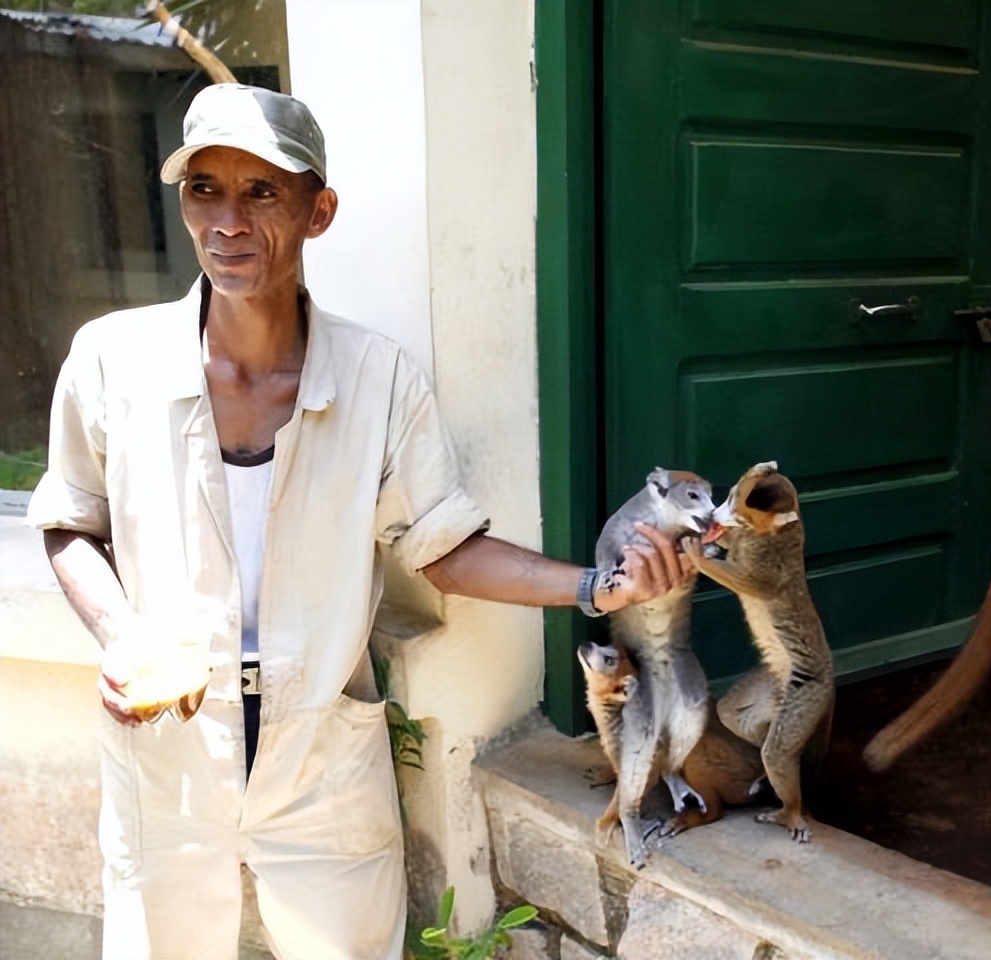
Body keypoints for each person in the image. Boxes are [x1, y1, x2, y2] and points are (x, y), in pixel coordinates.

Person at [28, 83, 690, 960]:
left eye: (263, 191)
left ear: (319, 210)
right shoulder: (113, 360)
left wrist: (597, 587)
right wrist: (123, 638)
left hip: (323, 760)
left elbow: (446, 550)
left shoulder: (379, 380)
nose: (228, 219)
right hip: (168, 753)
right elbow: (71, 522)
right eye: (204, 189)